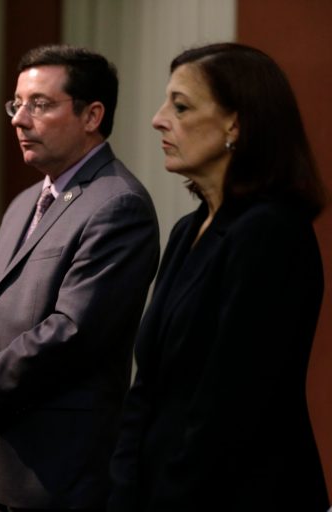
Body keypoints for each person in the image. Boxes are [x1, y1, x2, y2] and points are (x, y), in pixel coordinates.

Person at [108, 43, 329, 512]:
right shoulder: (189, 228)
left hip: (237, 495)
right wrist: (124, 489)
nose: (158, 118)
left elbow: (231, 408)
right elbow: (147, 384)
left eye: (180, 106)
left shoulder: (271, 232)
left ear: (236, 123)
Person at [0, 44, 160, 511]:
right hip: (3, 456)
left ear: (91, 115)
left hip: (63, 471)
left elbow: (72, 331)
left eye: (40, 104)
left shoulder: (117, 204)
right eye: (16, 104)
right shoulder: (24, 202)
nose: (20, 119)